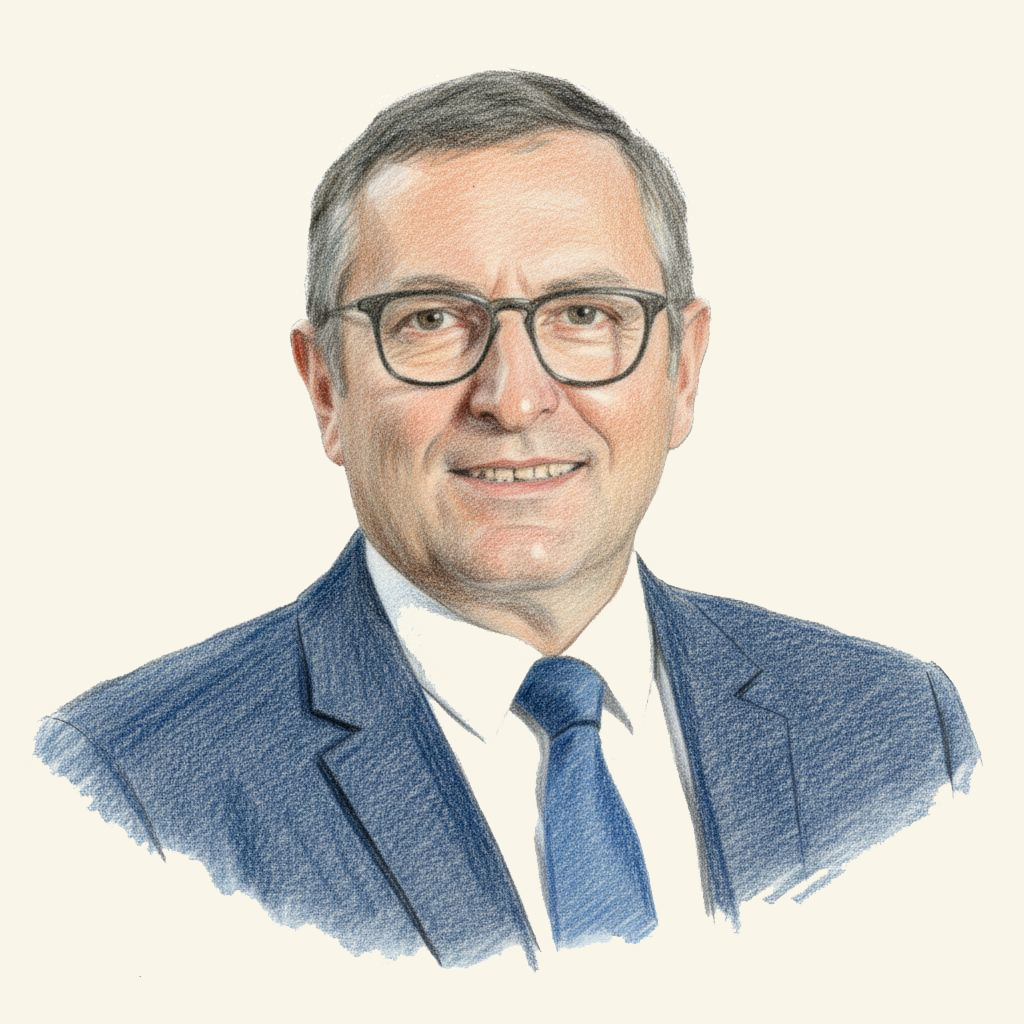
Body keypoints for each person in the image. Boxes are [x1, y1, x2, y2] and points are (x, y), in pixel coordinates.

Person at [34, 70, 979, 969]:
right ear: (326, 387)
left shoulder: (899, 729)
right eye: (430, 320)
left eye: (585, 314)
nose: (515, 397)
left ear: (684, 371)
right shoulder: (128, 788)